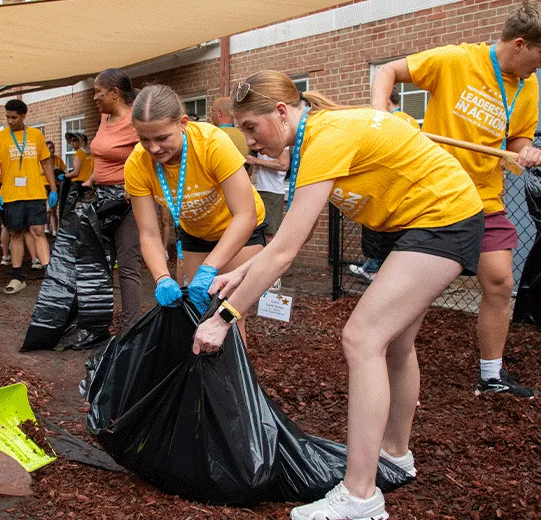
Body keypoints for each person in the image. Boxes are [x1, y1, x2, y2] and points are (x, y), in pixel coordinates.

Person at [194, 71, 485, 520]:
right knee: (397, 344)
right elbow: (283, 242)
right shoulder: (318, 136)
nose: (250, 143)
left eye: (251, 128)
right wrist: (242, 273)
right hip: (409, 224)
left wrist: (224, 317)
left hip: (442, 221)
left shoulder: (326, 140)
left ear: (282, 112)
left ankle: (360, 497)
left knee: (362, 338)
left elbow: (287, 251)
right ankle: (395, 455)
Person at [372, 0, 541, 397]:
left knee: (500, 282)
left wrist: (525, 150)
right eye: (538, 58)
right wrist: (379, 115)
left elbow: (517, 138)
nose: (538, 69)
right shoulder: (456, 60)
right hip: (437, 196)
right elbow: (388, 71)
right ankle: (383, 351)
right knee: (419, 290)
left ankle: (492, 375)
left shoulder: (528, 88)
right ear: (520, 44)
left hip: (485, 198)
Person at [125, 85, 266, 338]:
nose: (154, 148)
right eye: (144, 139)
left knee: (229, 313)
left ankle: (233, 377)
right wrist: (161, 278)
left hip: (237, 226)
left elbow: (245, 215)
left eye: (162, 137)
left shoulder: (212, 143)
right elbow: (148, 233)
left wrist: (210, 268)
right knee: (195, 311)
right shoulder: (137, 163)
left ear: (183, 123)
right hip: (195, 232)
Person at [81, 68, 143, 331]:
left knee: (128, 265)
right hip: (103, 198)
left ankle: (131, 331)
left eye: (99, 91)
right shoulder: (104, 117)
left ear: (115, 94)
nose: (95, 97)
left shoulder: (135, 120)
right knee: (98, 263)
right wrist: (91, 181)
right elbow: (101, 154)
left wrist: (133, 184)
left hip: (128, 200)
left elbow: (150, 156)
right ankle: (97, 325)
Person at [349, 88, 420, 282]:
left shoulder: (390, 120)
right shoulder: (410, 120)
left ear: (388, 99)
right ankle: (377, 268)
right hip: (408, 182)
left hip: (389, 182)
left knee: (379, 226)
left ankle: (375, 268)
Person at [0, 100, 57, 294]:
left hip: (34, 192)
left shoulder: (35, 135)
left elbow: (45, 163)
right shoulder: (0, 137)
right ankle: (17, 277)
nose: (10, 121)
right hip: (11, 194)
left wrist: (53, 189)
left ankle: (49, 276)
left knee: (38, 230)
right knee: (16, 232)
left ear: (24, 116)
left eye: (14, 117)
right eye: (7, 117)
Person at [246, 149, 289, 243]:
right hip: (255, 189)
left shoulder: (279, 141)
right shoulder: (255, 146)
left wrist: (256, 161)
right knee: (255, 232)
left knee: (269, 234)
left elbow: (284, 164)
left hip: (271, 191)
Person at [44, 139, 67, 238]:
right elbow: (41, 171)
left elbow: (64, 170)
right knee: (48, 209)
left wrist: (62, 174)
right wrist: (53, 170)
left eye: (52, 148)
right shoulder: (43, 160)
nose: (51, 150)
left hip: (56, 185)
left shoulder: (58, 160)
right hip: (45, 185)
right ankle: (46, 229)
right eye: (49, 148)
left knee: (53, 209)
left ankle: (55, 231)